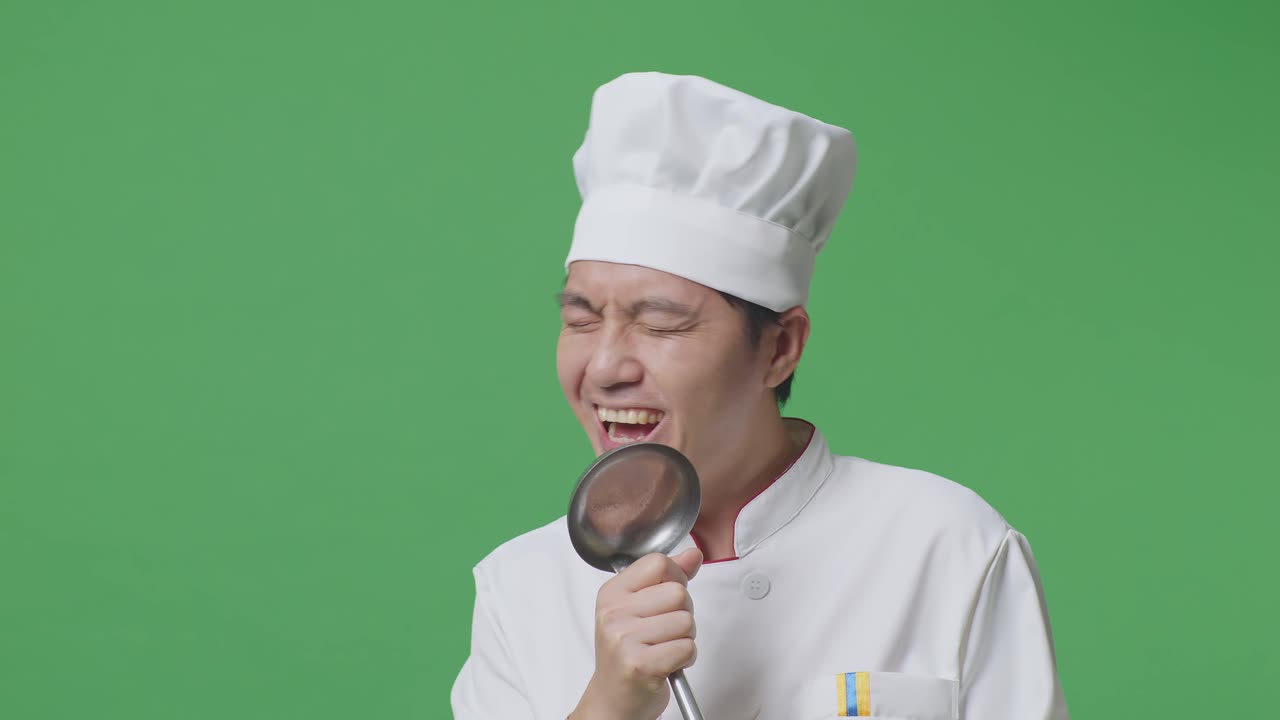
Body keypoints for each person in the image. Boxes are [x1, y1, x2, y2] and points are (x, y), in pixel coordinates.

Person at [451, 71, 1070, 720]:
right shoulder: (521, 587)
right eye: (580, 319)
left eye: (660, 322)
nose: (604, 365)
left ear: (779, 348)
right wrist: (611, 704)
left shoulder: (945, 545)